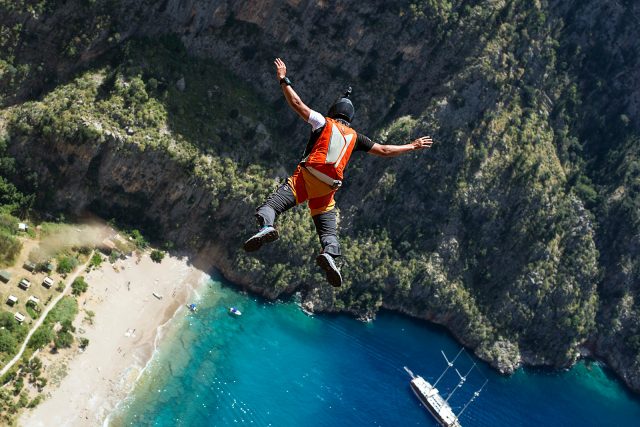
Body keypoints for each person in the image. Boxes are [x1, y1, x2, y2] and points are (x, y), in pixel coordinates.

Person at [243, 58, 433, 287]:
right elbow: (384, 150)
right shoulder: (355, 137)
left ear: (333, 112)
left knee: (271, 206)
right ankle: (330, 255)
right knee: (328, 230)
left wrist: (283, 79)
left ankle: (267, 226)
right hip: (328, 188)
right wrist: (412, 145)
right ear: (350, 119)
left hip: (306, 177)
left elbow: (297, 103)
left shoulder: (323, 122)